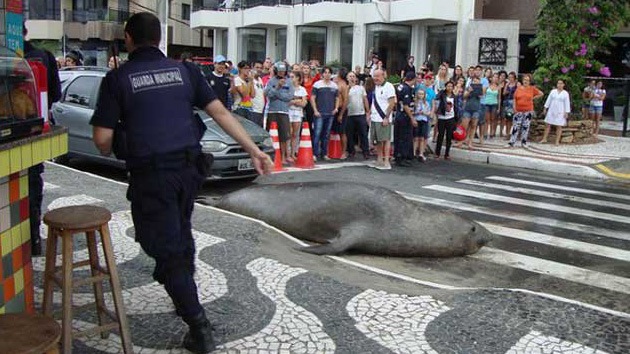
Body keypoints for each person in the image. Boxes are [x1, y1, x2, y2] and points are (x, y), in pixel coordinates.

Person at [89, 13, 273, 354]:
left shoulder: (118, 78)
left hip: (152, 176)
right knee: (180, 231)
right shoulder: (186, 71)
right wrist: (254, 150)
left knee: (161, 244)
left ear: (128, 38)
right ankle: (182, 286)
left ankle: (197, 324)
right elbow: (220, 113)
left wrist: (119, 125)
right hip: (190, 172)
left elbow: (101, 139)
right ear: (160, 39)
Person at [23, 23, 62, 256]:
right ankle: (33, 237)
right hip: (36, 129)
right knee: (33, 183)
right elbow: (55, 94)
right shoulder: (43, 57)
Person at [264, 61, 294, 164]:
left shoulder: (289, 81)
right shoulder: (271, 81)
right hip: (272, 111)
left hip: (284, 111)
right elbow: (269, 95)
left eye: (283, 71)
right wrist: (278, 87)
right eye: (280, 71)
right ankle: (271, 157)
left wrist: (278, 95)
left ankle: (283, 157)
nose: (281, 73)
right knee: (271, 135)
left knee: (284, 136)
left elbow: (289, 96)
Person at [310, 66, 339, 161]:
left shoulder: (334, 86)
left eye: (329, 72)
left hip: (330, 113)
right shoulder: (317, 85)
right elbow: (312, 98)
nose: (327, 74)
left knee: (326, 134)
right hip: (319, 113)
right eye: (325, 72)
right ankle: (314, 153)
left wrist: (336, 108)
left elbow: (337, 98)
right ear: (322, 74)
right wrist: (315, 110)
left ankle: (324, 153)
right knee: (317, 133)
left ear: (331, 74)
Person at [369, 69, 396, 170]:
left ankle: (386, 160)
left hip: (384, 118)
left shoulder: (389, 86)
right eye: (374, 76)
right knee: (378, 140)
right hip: (375, 117)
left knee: (386, 140)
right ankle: (379, 159)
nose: (375, 78)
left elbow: (392, 103)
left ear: (383, 76)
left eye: (377, 76)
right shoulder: (375, 87)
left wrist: (386, 117)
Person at [509, 74, 544, 147]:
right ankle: (512, 142)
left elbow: (541, 94)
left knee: (525, 126)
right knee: (516, 126)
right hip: (518, 110)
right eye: (525, 80)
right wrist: (514, 107)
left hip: (528, 110)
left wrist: (533, 98)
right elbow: (514, 98)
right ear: (522, 80)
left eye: (527, 80)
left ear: (529, 81)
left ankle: (523, 142)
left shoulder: (532, 88)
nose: (526, 81)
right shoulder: (518, 88)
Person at [394, 72, 417, 167]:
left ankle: (398, 155)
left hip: (399, 115)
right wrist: (412, 118)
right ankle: (402, 157)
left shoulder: (400, 86)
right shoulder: (407, 89)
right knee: (404, 137)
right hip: (404, 116)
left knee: (398, 136)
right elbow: (405, 105)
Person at [345, 71, 370, 160]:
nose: (352, 78)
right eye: (350, 76)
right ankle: (351, 151)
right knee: (350, 134)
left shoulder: (361, 88)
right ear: (347, 78)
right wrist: (348, 88)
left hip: (360, 114)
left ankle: (366, 151)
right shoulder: (346, 88)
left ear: (356, 78)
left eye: (353, 76)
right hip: (349, 114)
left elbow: (365, 99)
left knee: (363, 133)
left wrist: (368, 111)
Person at [540, 79, 571, 145]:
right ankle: (544, 138)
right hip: (551, 110)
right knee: (547, 124)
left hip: (560, 111)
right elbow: (548, 100)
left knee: (559, 126)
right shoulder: (553, 91)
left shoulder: (565, 93)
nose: (559, 85)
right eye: (558, 83)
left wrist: (566, 112)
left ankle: (557, 141)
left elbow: (567, 103)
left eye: (561, 83)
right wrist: (545, 108)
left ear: (563, 85)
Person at [434, 81, 457, 160]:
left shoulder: (454, 96)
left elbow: (456, 107)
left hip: (451, 118)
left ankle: (447, 154)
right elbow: (436, 99)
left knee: (449, 136)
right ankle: (437, 153)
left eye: (451, 86)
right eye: (448, 86)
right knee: (440, 135)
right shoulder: (442, 94)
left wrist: (456, 118)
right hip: (442, 117)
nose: (449, 88)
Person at [288, 71, 307, 159]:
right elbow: (287, 102)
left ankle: (293, 153)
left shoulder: (302, 89)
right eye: (290, 77)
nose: (291, 78)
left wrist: (294, 101)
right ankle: (287, 154)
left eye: (292, 77)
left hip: (298, 113)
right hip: (288, 112)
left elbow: (304, 103)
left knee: (295, 134)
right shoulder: (287, 88)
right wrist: (297, 101)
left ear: (298, 78)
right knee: (289, 133)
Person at [462, 76, 483, 149]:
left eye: (477, 81)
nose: (475, 82)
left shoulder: (480, 88)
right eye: (474, 81)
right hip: (468, 108)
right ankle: (461, 141)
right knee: (465, 125)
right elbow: (464, 96)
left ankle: (470, 142)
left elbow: (481, 96)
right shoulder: (468, 88)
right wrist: (469, 91)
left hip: (476, 109)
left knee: (473, 126)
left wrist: (479, 92)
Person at [334, 68, 350, 159]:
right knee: (333, 131)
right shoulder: (336, 83)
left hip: (341, 109)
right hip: (334, 108)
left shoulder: (343, 85)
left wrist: (341, 114)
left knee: (342, 132)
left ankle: (344, 152)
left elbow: (345, 101)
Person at [413, 89, 431, 161]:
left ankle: (421, 153)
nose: (421, 95)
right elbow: (412, 112)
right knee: (416, 138)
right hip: (417, 120)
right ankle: (413, 152)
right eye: (419, 94)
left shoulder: (426, 103)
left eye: (422, 94)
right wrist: (417, 112)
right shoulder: (415, 103)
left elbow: (429, 112)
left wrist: (424, 113)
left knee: (422, 138)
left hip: (424, 120)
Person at [484, 73, 501, 139]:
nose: (495, 78)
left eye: (497, 77)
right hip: (487, 103)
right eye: (494, 77)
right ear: (491, 78)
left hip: (494, 104)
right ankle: (485, 133)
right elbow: (484, 95)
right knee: (486, 119)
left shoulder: (498, 87)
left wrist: (499, 107)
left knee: (492, 119)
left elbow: (499, 98)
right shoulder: (487, 85)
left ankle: (491, 133)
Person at [250, 60, 265, 127]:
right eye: (257, 67)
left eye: (261, 68)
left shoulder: (260, 80)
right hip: (252, 110)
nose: (259, 69)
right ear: (252, 67)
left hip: (260, 110)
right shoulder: (250, 79)